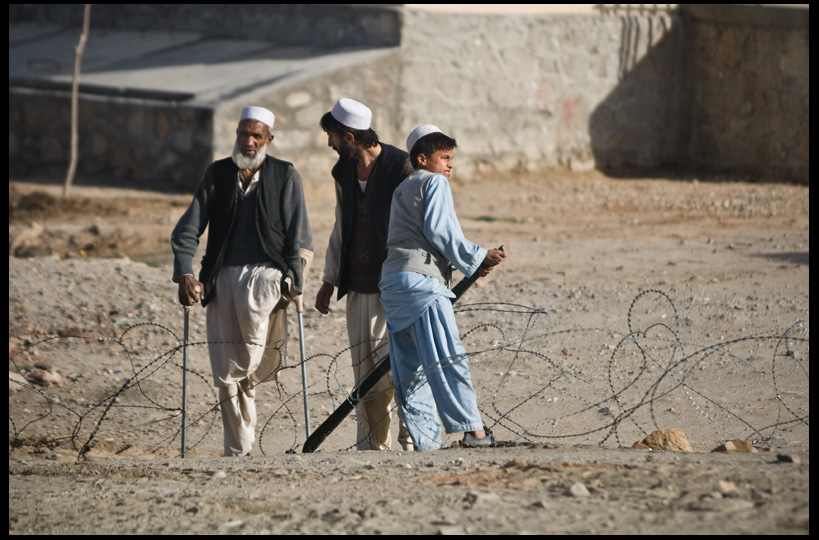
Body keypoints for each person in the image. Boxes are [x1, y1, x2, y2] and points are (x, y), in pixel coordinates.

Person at [171, 106, 313, 457]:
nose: (248, 142)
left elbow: (300, 236)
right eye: (243, 134)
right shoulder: (217, 174)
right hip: (223, 279)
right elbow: (188, 230)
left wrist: (294, 280)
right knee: (226, 372)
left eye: (256, 136)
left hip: (268, 278)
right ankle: (238, 448)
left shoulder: (285, 175)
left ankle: (243, 443)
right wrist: (186, 273)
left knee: (248, 361)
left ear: (269, 139)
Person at [378, 125, 506, 451]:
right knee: (449, 358)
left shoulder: (401, 188)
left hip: (393, 286)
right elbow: (439, 230)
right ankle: (473, 431)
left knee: (412, 372)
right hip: (422, 285)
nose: (449, 165)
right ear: (423, 159)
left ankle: (426, 444)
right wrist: (477, 257)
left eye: (451, 158)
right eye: (444, 157)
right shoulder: (434, 182)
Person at [314, 98, 415, 451]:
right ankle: (372, 447)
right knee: (364, 370)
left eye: (332, 137)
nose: (329, 144)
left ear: (351, 136)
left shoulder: (399, 166)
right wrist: (329, 278)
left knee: (397, 365)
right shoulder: (342, 171)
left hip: (396, 281)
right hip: (357, 283)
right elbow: (341, 224)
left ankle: (413, 437)